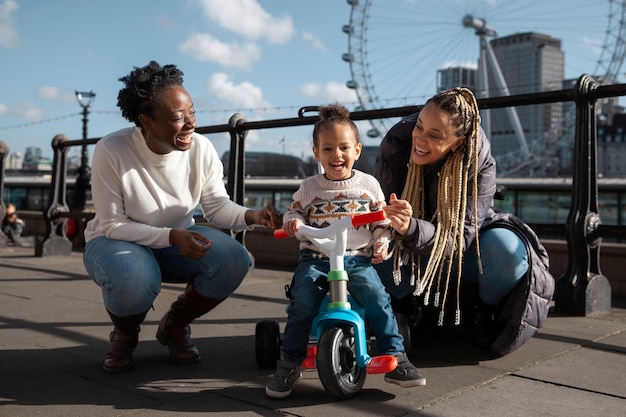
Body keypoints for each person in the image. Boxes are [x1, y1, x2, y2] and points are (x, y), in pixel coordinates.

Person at [82, 61, 282, 374]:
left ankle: (174, 325)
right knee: (134, 277)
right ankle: (125, 334)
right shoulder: (112, 149)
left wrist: (253, 215)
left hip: (175, 241)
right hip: (113, 243)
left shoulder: (201, 149)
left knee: (234, 259)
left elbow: (216, 206)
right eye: (178, 118)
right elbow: (112, 224)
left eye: (192, 112)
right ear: (146, 121)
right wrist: (171, 236)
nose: (190, 124)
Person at [374, 87, 554, 356]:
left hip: (463, 251)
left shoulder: (479, 162)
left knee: (506, 250)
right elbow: (377, 208)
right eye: (419, 127)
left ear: (458, 142)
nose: (420, 140)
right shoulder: (398, 144)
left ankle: (484, 310)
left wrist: (411, 226)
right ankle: (408, 305)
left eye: (434, 135)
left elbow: (458, 238)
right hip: (410, 249)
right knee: (368, 249)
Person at [266, 104, 425, 399]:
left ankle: (396, 356)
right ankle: (289, 363)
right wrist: (294, 222)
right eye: (327, 149)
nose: (336, 155)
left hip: (356, 257)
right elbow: (294, 212)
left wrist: (381, 240)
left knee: (376, 295)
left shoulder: (368, 185)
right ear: (317, 153)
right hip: (316, 257)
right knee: (301, 303)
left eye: (343, 147)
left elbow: (381, 221)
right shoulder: (309, 187)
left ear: (357, 150)